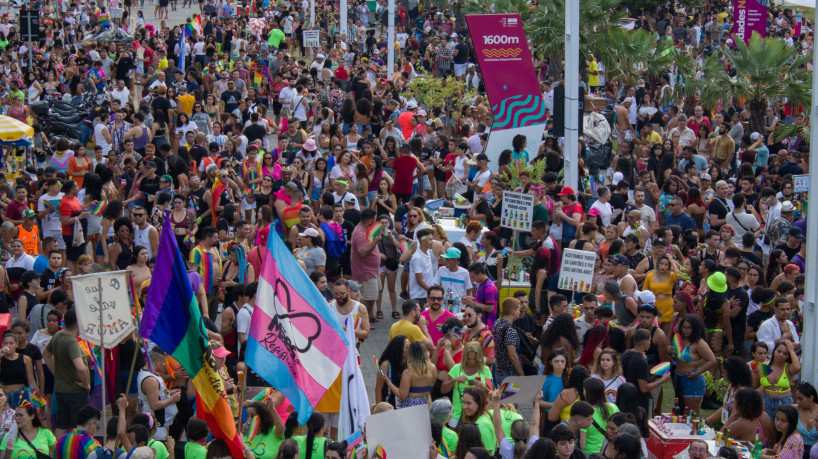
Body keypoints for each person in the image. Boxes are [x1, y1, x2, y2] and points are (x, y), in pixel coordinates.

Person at [43, 309, 90, 438]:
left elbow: (46, 355)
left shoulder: (58, 335)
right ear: (78, 323)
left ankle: (59, 453)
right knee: (81, 426)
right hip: (75, 392)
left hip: (60, 389)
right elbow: (80, 368)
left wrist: (56, 374)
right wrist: (86, 384)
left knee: (61, 425)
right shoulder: (71, 342)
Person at [621, 328, 670, 415]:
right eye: (649, 341)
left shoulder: (626, 354)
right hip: (640, 403)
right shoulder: (641, 361)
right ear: (645, 342)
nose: (650, 343)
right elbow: (643, 388)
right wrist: (662, 380)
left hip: (626, 398)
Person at [491, 388, 541, 459]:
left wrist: (496, 402)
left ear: (511, 435)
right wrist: (537, 402)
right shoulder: (533, 447)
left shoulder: (507, 449)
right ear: (528, 434)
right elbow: (535, 425)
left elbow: (497, 426)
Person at [493, 298, 524, 383]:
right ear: (513, 312)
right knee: (511, 397)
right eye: (518, 309)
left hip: (499, 371)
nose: (519, 312)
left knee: (504, 396)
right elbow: (513, 356)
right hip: (510, 375)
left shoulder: (498, 323)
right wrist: (521, 374)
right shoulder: (510, 330)